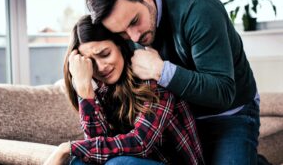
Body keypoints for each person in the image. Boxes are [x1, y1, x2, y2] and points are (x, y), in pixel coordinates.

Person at [85, 0, 260, 164]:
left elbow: (223, 93)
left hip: (230, 114)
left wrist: (160, 70)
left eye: (135, 21)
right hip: (179, 122)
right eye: (122, 33)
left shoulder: (199, 9)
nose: (134, 37)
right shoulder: (123, 33)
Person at [44, 15, 204, 165]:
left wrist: (68, 148)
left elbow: (140, 142)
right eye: (91, 63)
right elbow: (97, 154)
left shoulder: (150, 75)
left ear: (120, 46)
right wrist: (84, 90)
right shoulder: (99, 88)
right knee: (79, 162)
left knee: (118, 163)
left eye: (105, 54)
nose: (100, 68)